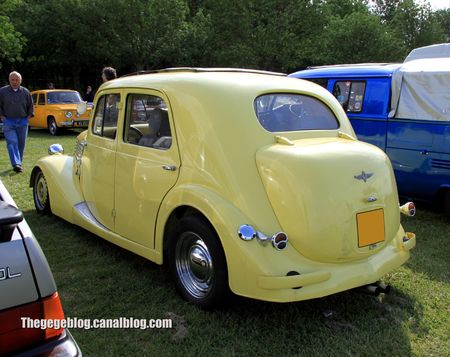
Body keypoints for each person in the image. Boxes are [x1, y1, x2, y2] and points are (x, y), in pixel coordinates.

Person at [0, 71, 34, 173]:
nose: (15, 82)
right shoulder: (2, 91)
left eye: (17, 80)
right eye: (12, 80)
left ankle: (19, 163)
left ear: (20, 80)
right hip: (8, 121)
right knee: (11, 142)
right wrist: (2, 117)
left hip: (22, 121)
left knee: (21, 144)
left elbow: (30, 106)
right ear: (9, 80)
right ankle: (16, 164)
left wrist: (27, 118)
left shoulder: (26, 92)